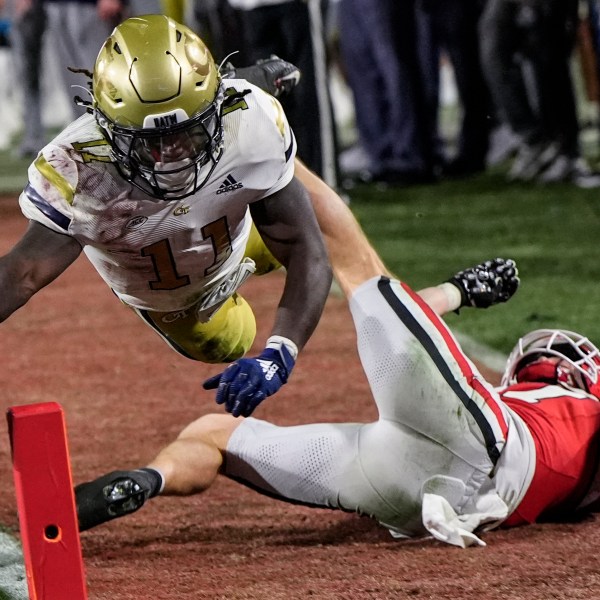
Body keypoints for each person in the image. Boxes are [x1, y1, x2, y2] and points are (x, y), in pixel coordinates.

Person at [78, 163, 600, 547]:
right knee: (214, 436)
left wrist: (463, 291)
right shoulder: (571, 435)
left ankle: (268, 138)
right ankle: (146, 481)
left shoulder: (568, 405)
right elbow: (413, 329)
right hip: (425, 494)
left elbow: (405, 321)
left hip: (481, 441)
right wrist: (462, 291)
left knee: (356, 262)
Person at [0, 15, 332, 418]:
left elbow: (305, 248)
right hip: (179, 297)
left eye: (186, 132)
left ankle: (373, 287)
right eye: (150, 140)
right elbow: (22, 273)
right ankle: (231, 91)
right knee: (232, 344)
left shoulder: (248, 118)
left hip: (237, 232)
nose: (171, 154)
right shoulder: (80, 170)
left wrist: (280, 353)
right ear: (102, 125)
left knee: (313, 224)